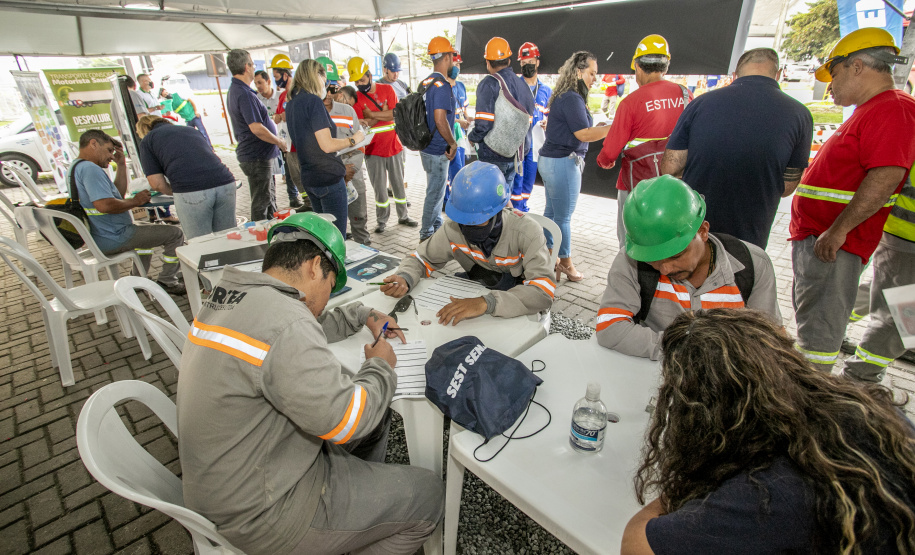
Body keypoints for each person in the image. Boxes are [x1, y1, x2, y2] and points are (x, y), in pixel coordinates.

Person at [178, 213, 445, 555]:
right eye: (330, 286)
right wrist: (380, 364)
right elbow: (348, 421)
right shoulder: (286, 321)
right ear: (316, 266)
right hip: (265, 514)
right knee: (428, 494)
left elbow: (300, 328)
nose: (325, 299)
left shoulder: (234, 297)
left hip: (230, 481)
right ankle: (343, 530)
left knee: (378, 421)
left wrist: (362, 314)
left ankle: (357, 519)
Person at [621, 309, 915, 554]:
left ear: (703, 412)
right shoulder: (873, 412)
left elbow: (636, 545)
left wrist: (687, 480)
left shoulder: (770, 493)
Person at [790, 27, 915, 372]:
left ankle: (811, 396)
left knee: (820, 332)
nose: (829, 85)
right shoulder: (877, 108)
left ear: (857, 66)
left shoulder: (891, 110)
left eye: (835, 73)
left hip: (835, 241)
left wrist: (838, 230)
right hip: (832, 239)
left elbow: (886, 175)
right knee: (824, 317)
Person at [596, 175, 780, 360]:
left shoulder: (753, 265)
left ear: (703, 231)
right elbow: (610, 328)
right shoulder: (632, 260)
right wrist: (693, 351)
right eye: (653, 260)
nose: (665, 269)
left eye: (676, 255)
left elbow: (768, 344)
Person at [659, 48, 813, 249]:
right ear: (777, 74)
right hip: (751, 234)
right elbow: (787, 187)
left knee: (692, 276)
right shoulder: (800, 115)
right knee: (742, 277)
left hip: (696, 227)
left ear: (735, 75)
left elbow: (670, 168)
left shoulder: (701, 104)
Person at [381, 162, 554, 324]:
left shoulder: (527, 232)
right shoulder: (453, 228)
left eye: (477, 220)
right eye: (463, 219)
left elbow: (543, 291)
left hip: (514, 300)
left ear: (497, 211)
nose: (468, 226)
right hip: (478, 286)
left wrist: (487, 303)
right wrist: (405, 277)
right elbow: (420, 258)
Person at [596, 34, 691, 246]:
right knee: (673, 240)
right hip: (677, 185)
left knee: (631, 242)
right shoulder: (685, 95)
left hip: (637, 187)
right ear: (666, 67)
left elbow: (610, 153)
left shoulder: (630, 103)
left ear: (637, 66)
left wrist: (605, 161)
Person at [70, 129, 185, 294]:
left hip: (100, 235)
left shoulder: (76, 167)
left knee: (145, 234)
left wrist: (121, 164)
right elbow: (104, 205)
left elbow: (117, 194)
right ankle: (168, 280)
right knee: (175, 234)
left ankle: (138, 279)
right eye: (109, 150)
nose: (111, 156)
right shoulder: (90, 169)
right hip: (114, 236)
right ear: (93, 144)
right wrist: (135, 201)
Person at [538, 51, 610, 283]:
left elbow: (579, 129)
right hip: (563, 163)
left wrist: (597, 126)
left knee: (552, 213)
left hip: (552, 161)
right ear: (579, 71)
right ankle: (566, 263)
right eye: (592, 73)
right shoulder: (572, 98)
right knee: (563, 217)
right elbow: (584, 134)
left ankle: (549, 257)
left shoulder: (567, 96)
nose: (595, 78)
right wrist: (615, 127)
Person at [286, 59, 364, 236]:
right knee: (335, 236)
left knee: (322, 235)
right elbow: (327, 145)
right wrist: (353, 140)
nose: (326, 86)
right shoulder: (313, 102)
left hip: (310, 177)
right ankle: (336, 264)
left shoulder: (292, 103)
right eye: (324, 80)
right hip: (328, 177)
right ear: (316, 77)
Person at [135, 115, 237, 240]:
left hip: (191, 190)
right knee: (228, 238)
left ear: (143, 130)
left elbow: (156, 184)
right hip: (225, 182)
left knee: (201, 243)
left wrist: (174, 192)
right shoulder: (190, 130)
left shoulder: (148, 140)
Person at [348, 56, 418, 233]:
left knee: (398, 185)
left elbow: (393, 114)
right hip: (372, 150)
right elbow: (363, 123)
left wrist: (371, 114)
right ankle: (382, 221)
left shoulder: (387, 89)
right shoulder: (356, 98)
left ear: (370, 75)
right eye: (356, 81)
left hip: (393, 146)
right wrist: (381, 113)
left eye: (362, 79)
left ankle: (403, 216)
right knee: (379, 190)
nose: (359, 83)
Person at [226, 49, 287, 221]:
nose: (253, 68)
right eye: (252, 64)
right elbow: (257, 128)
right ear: (247, 67)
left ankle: (270, 232)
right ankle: (259, 238)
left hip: (259, 155)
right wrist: (279, 142)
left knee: (268, 199)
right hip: (256, 156)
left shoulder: (239, 90)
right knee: (262, 202)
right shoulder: (244, 94)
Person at [467, 37, 535, 185]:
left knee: (489, 201)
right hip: (514, 154)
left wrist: (473, 137)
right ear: (509, 61)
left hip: (493, 155)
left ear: (487, 62)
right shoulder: (524, 86)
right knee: (503, 198)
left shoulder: (489, 83)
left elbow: (483, 124)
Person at [321, 59, 371, 245]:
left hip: (352, 174)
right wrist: (339, 172)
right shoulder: (312, 114)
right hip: (330, 178)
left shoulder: (347, 111)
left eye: (332, 88)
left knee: (359, 220)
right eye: (324, 88)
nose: (328, 93)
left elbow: (360, 143)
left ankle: (365, 250)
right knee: (332, 226)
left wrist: (351, 170)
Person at [419, 37, 458, 242]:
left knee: (435, 191)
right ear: (447, 57)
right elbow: (440, 119)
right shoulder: (441, 85)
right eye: (452, 56)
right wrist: (453, 142)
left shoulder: (425, 82)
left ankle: (436, 230)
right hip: (437, 150)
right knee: (434, 195)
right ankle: (426, 236)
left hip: (426, 147)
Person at [511, 42, 552, 213]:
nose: (528, 65)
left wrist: (547, 122)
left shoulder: (546, 90)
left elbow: (549, 114)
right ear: (520, 64)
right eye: (524, 62)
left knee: (529, 181)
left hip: (536, 145)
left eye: (531, 61)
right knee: (517, 180)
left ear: (538, 62)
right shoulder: (514, 86)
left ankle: (523, 207)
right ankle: (515, 210)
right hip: (519, 143)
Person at [255, 68, 300, 210]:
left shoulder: (295, 93)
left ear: (286, 75)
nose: (276, 80)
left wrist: (285, 115)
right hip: (284, 142)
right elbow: (277, 116)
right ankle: (301, 200)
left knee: (300, 174)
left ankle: (303, 199)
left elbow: (290, 115)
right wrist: (278, 116)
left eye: (277, 76)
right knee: (291, 173)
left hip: (298, 143)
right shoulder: (281, 97)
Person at [443, 51, 471, 210]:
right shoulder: (443, 87)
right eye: (455, 64)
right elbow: (442, 115)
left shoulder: (460, 86)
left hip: (461, 135)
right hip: (449, 134)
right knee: (453, 169)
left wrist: (468, 119)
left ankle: (455, 199)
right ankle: (449, 200)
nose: (458, 67)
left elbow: (464, 110)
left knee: (459, 168)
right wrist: (460, 121)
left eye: (459, 64)